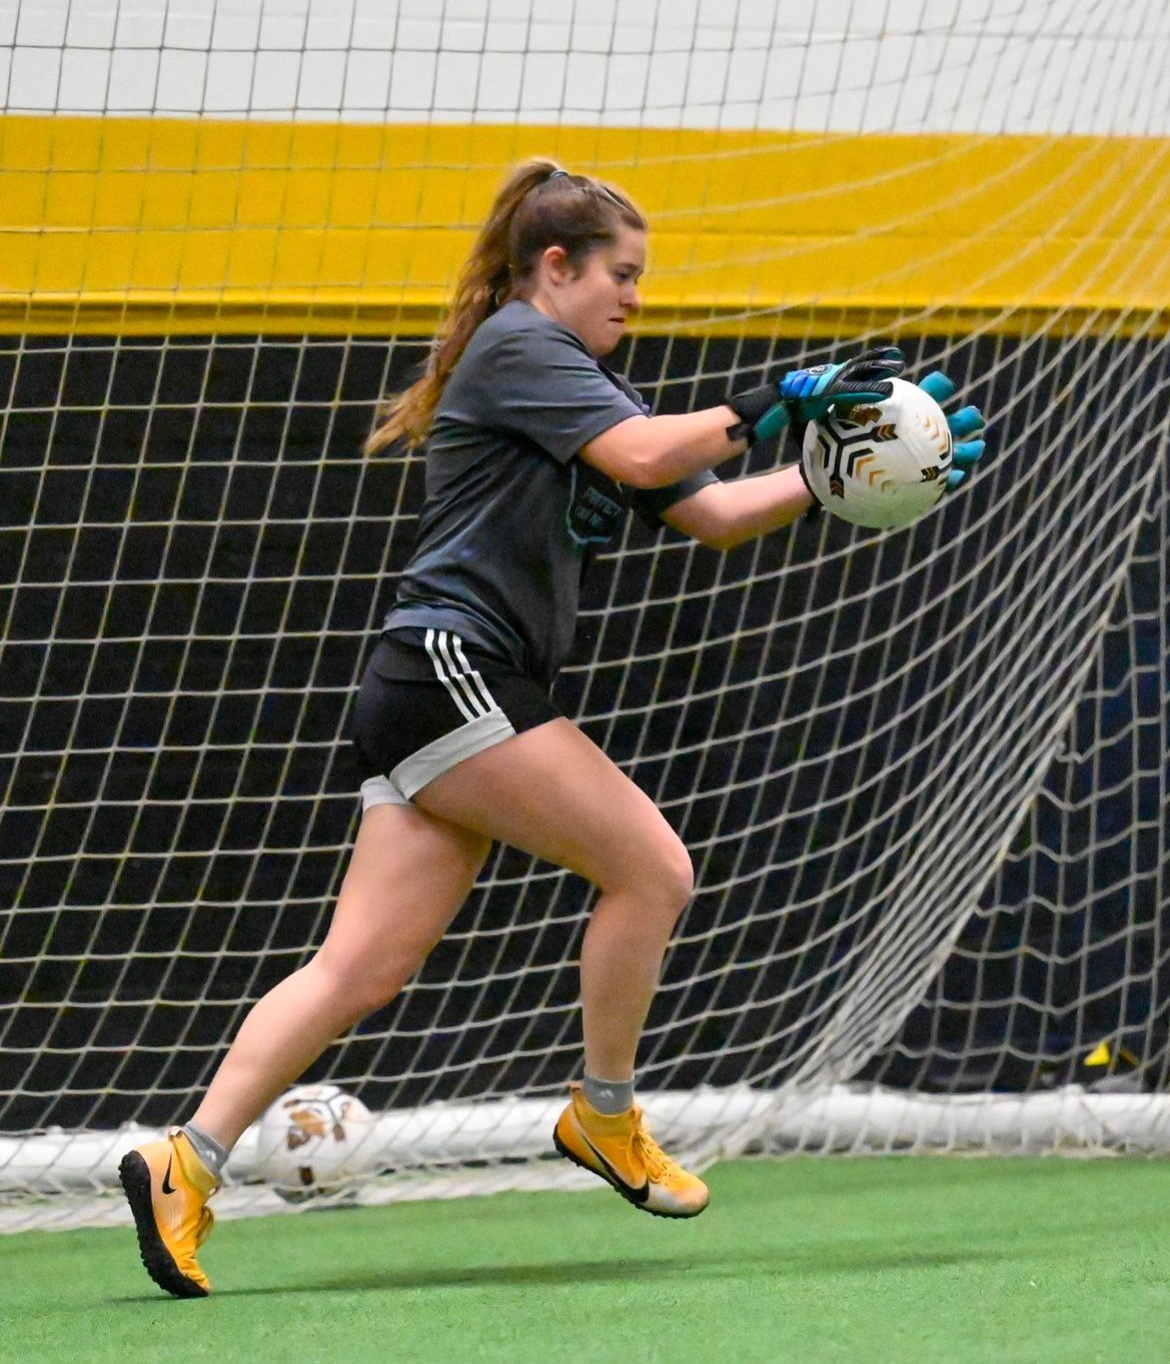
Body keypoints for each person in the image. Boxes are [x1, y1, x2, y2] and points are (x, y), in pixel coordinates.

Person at [119, 159, 986, 1298]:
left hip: (429, 688)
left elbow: (715, 511)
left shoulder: (590, 389)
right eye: (620, 274)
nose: (634, 295)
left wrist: (848, 479)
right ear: (555, 266)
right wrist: (778, 395)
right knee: (653, 869)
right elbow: (651, 458)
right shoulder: (525, 347)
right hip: (455, 672)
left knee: (361, 967)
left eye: (642, 278)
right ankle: (604, 1114)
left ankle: (185, 1160)